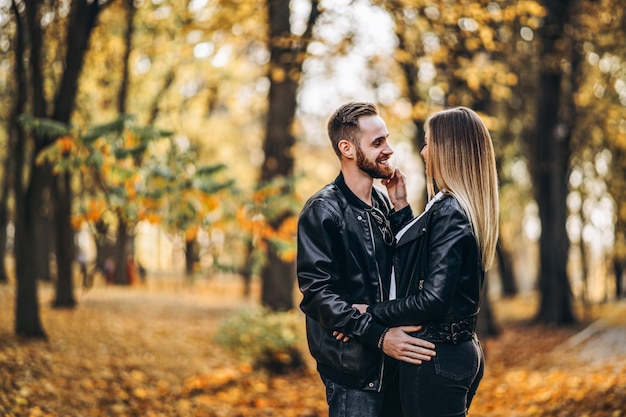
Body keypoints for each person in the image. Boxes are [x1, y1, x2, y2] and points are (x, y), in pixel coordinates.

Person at [353, 106, 499, 416]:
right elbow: (418, 268)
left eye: (429, 142)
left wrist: (371, 313)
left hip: (434, 356)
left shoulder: (449, 210)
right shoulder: (453, 206)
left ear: (448, 150)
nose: (423, 152)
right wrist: (401, 207)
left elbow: (432, 299)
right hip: (454, 352)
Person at [297, 102, 437, 417]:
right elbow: (319, 295)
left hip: (395, 363)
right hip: (353, 371)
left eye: (386, 139)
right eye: (377, 143)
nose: (389, 149)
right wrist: (378, 335)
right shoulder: (322, 210)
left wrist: (401, 208)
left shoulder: (383, 205)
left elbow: (408, 272)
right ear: (347, 148)